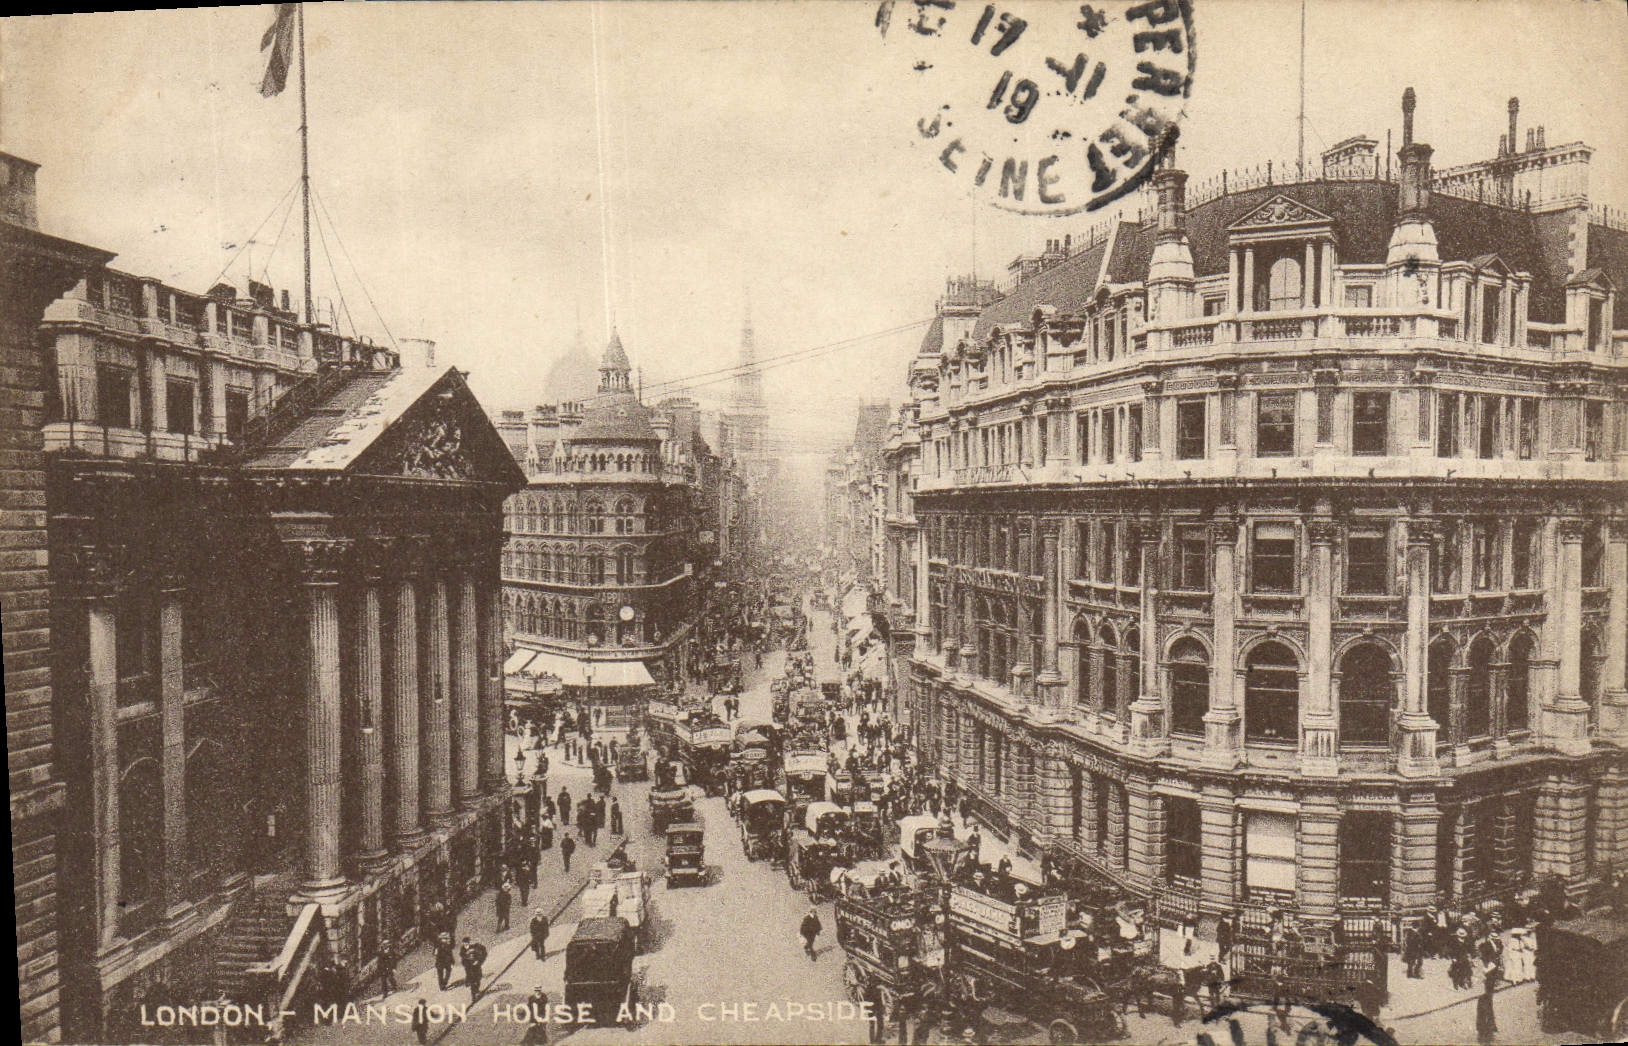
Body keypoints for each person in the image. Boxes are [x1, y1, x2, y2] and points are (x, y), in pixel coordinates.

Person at [459, 936, 487, 1003]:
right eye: (465, 943)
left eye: (467, 942)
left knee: (478, 978)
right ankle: (473, 996)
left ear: (469, 942)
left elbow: (482, 952)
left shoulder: (474, 947)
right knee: (473, 981)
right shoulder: (463, 950)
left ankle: (476, 990)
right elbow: (463, 959)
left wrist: (478, 961)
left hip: (476, 966)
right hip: (469, 967)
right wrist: (467, 964)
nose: (466, 944)